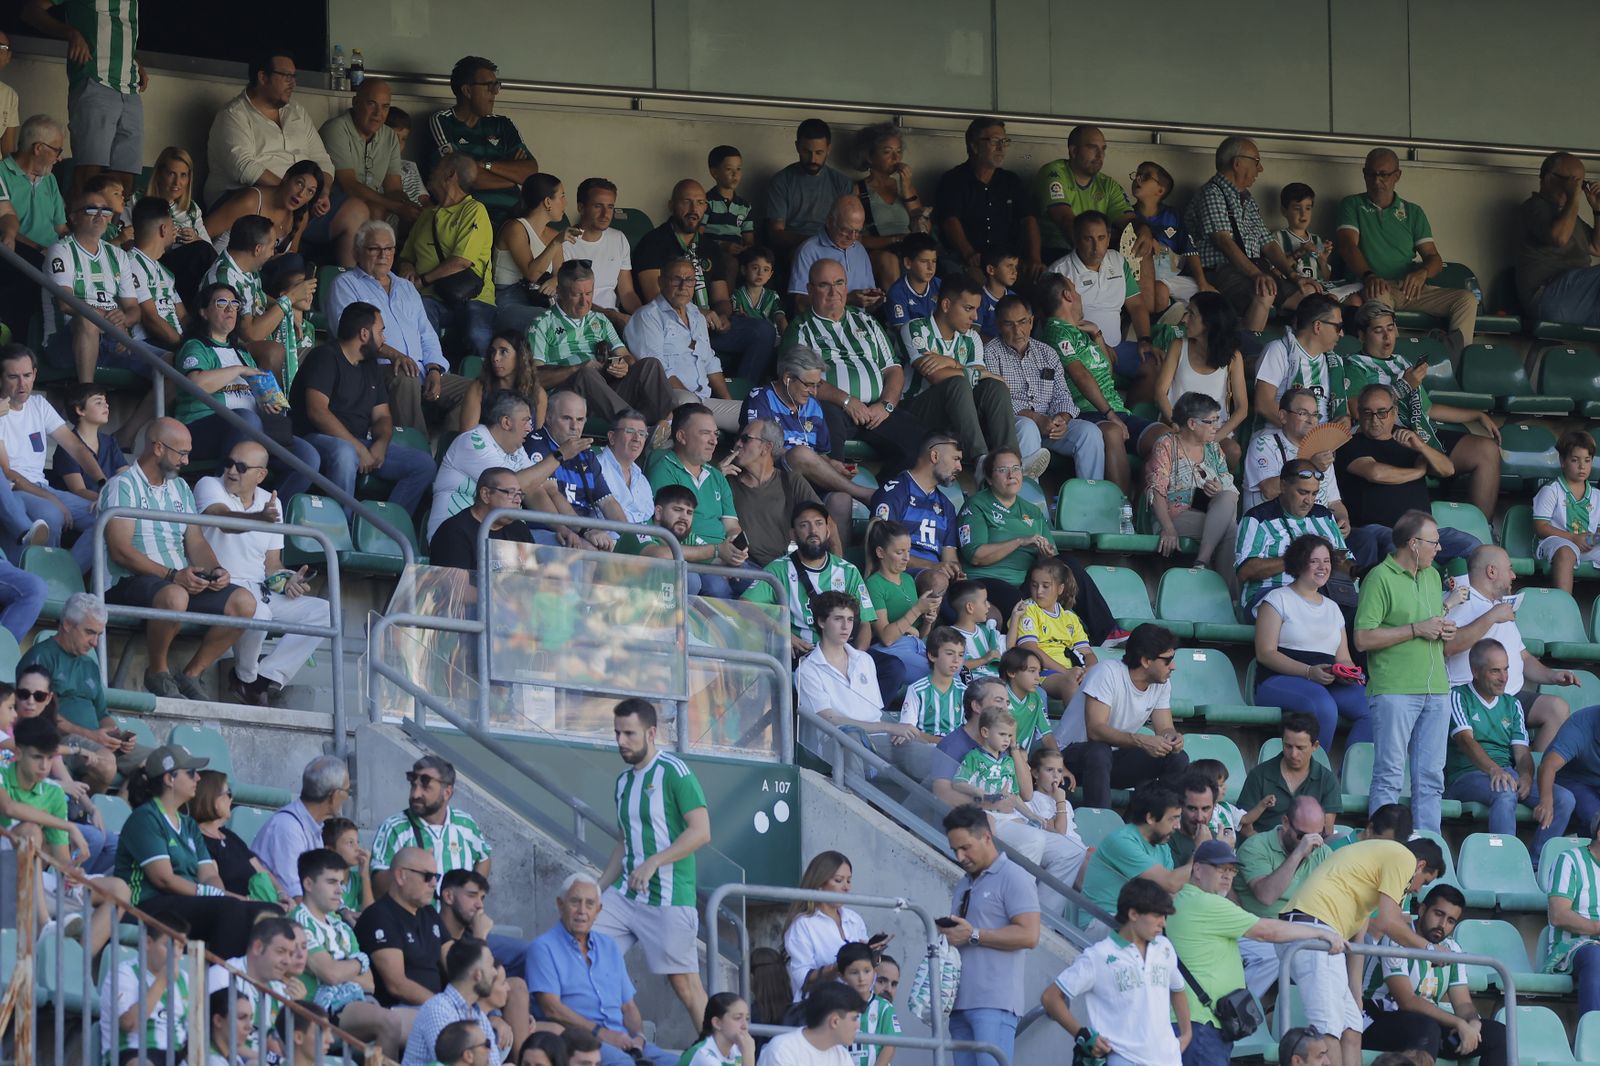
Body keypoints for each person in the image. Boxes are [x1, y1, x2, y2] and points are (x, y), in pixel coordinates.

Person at [99, 417, 256, 699]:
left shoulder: (181, 487)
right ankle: (157, 672)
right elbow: (120, 550)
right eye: (181, 453)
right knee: (175, 597)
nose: (186, 461)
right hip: (129, 582)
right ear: (158, 448)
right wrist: (172, 576)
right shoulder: (122, 485)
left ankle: (191, 674)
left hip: (176, 581)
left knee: (244, 602)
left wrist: (216, 570)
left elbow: (194, 539)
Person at [1168, 840, 1346, 1066]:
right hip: (1202, 1025)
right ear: (1197, 869)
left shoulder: (1184, 899)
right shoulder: (1206, 903)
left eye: (1232, 871)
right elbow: (1266, 931)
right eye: (1220, 869)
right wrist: (1319, 933)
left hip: (1196, 1022)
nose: (1228, 876)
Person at [595, 698, 710, 1027]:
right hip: (625, 895)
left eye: (629, 733)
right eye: (617, 733)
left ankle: (714, 1055)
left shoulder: (675, 772)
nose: (620, 741)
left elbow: (701, 832)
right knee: (583, 945)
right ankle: (617, 1033)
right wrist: (598, 887)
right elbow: (624, 841)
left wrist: (654, 863)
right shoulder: (622, 782)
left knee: (686, 987)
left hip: (669, 898)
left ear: (652, 733)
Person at [1278, 838, 1444, 1066]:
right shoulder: (1403, 857)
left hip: (1325, 934)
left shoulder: (1371, 873)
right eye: (1424, 881)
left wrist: (1356, 993)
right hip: (1313, 931)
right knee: (1330, 1030)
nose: (1417, 890)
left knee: (1352, 1029)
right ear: (1420, 865)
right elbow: (1388, 922)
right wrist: (1430, 949)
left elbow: (1359, 937)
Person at [114, 744, 281, 957]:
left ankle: (248, 984)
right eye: (191, 773)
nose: (198, 779)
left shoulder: (189, 824)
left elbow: (209, 874)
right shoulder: (145, 818)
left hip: (183, 902)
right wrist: (218, 896)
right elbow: (163, 879)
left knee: (270, 913)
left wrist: (219, 894)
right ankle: (220, 985)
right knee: (229, 909)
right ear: (169, 779)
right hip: (147, 904)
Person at [195, 440, 330, 703]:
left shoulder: (272, 503)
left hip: (260, 589)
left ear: (261, 475)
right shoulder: (210, 484)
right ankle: (245, 678)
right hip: (221, 587)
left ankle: (265, 677)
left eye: (242, 467)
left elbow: (272, 564)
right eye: (229, 463)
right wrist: (260, 519)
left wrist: (286, 580)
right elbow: (222, 521)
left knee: (323, 612)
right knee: (261, 612)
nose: (232, 471)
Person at [1342, 301, 1501, 518]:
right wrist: (1405, 385)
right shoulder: (1354, 365)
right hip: (1390, 439)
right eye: (1378, 331)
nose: (1387, 337)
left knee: (1486, 450)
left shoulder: (1401, 362)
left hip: (1421, 432)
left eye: (1390, 329)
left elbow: (1429, 409)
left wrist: (1476, 414)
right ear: (1361, 335)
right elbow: (1357, 411)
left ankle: (1484, 528)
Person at [1353, 508, 1456, 833]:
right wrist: (1416, 629)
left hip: (1437, 688)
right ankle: (1382, 847)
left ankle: (1428, 847)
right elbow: (1362, 638)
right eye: (1433, 543)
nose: (1438, 549)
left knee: (1431, 777)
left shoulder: (1432, 575)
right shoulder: (1379, 578)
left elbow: (1428, 622)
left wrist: (1442, 629)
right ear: (1413, 543)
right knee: (1390, 774)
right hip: (1394, 689)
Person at [290, 302, 437, 519]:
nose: (384, 339)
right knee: (345, 453)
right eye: (381, 332)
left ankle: (384, 528)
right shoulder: (325, 357)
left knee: (424, 465)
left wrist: (380, 444)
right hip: (315, 439)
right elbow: (317, 412)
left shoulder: (370, 366)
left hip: (359, 443)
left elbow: (383, 416)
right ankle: (342, 531)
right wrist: (358, 448)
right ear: (364, 334)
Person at [780, 260, 925, 475]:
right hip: (833, 408)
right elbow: (798, 380)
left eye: (839, 283)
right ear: (810, 290)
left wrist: (886, 405)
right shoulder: (801, 328)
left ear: (847, 287)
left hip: (875, 410)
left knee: (920, 440)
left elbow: (893, 369)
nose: (833, 292)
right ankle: (835, 492)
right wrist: (846, 401)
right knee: (823, 414)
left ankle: (884, 496)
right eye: (824, 285)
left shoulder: (867, 321)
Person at [175, 281, 320, 496]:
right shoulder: (196, 346)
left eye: (235, 304)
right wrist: (238, 370)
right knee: (246, 419)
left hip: (250, 429)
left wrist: (269, 402)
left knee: (307, 456)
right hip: (200, 428)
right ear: (204, 312)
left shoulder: (242, 353)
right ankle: (219, 498)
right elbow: (197, 384)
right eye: (222, 302)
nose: (230, 309)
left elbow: (261, 395)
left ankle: (268, 511)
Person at [325, 219, 470, 433]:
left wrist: (434, 369)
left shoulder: (406, 287)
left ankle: (449, 456)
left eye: (389, 249)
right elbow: (351, 335)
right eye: (375, 249)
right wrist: (396, 356)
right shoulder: (345, 284)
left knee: (472, 390)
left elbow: (426, 334)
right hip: (375, 369)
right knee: (406, 377)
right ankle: (417, 453)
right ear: (357, 252)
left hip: (420, 369)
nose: (384, 255)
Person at [633, 179, 777, 383]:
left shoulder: (709, 246)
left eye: (700, 203)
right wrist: (700, 314)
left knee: (763, 331)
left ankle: (743, 396)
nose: (694, 209)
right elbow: (655, 297)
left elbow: (721, 298)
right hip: (674, 327)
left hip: (709, 328)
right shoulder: (654, 242)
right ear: (671, 205)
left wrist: (724, 316)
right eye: (687, 202)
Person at [1335, 148, 1478, 353]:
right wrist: (1369, 275)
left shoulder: (1413, 212)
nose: (1377, 181)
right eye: (1371, 174)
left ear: (1397, 175)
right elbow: (1347, 246)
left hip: (1408, 288)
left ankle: (1455, 363)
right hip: (1372, 285)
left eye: (1384, 174)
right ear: (1364, 174)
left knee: (1467, 300)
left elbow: (1433, 258)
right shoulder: (1352, 204)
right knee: (1380, 298)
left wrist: (1422, 273)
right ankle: (1400, 368)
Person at [1445, 638, 1575, 860]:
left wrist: (1525, 775)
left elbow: (1522, 751)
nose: (1504, 678)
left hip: (1507, 774)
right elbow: (1466, 741)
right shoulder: (1458, 696)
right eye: (1495, 671)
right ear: (1475, 671)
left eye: (1506, 669)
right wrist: (1494, 770)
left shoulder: (1511, 704)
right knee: (1505, 792)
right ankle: (1504, 862)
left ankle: (1534, 864)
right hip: (1465, 776)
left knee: (1564, 799)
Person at [1034, 272, 1164, 495]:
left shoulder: (1082, 332)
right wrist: (1109, 413)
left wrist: (1097, 334)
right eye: (1075, 290)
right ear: (1067, 295)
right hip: (1085, 413)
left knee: (1164, 439)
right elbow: (1080, 375)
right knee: (1112, 431)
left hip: (1114, 410)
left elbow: (1108, 373)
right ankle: (1121, 514)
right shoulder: (1056, 331)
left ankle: (1146, 513)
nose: (1079, 295)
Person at [526, 873, 675, 1066]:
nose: (582, 911)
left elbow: (628, 1006)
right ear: (560, 904)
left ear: (598, 910)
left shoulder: (609, 946)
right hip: (578, 1042)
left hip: (624, 1041)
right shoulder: (543, 948)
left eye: (589, 904)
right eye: (575, 902)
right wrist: (602, 1034)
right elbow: (552, 1009)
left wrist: (637, 1036)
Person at [1042, 878, 1190, 1065]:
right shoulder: (1099, 956)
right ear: (1134, 914)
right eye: (1158, 915)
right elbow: (1050, 997)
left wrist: (1187, 1034)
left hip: (1169, 1059)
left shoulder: (1165, 947)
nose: (1164, 923)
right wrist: (1082, 1035)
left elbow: (1177, 988)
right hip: (1122, 1059)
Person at [1444, 545, 1577, 751]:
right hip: (1472, 697)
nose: (1514, 575)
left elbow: (1522, 656)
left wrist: (1553, 676)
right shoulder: (1461, 599)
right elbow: (1449, 647)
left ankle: (1534, 775)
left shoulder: (1500, 605)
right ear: (1491, 571)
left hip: (1510, 697)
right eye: (1510, 569)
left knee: (1557, 709)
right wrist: (1492, 617)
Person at [1361, 883, 1508, 1066]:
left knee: (1497, 1034)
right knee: (1426, 1027)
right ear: (1423, 910)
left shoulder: (1452, 949)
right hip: (1377, 1022)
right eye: (1438, 914)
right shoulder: (1397, 940)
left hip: (1428, 1031)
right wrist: (1458, 1023)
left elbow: (1463, 1003)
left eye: (1451, 921)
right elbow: (1407, 1001)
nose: (1442, 925)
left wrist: (1472, 1022)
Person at [939, 804, 1039, 1066]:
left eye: (965, 847)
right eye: (955, 850)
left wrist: (973, 935)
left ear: (986, 837)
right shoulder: (965, 883)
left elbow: (1030, 935)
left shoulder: (1014, 877)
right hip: (959, 1002)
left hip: (995, 1002)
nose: (960, 856)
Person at [1337, 386, 1479, 569]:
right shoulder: (1349, 442)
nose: (1374, 420)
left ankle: (1468, 597)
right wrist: (1418, 472)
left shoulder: (1407, 440)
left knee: (1473, 546)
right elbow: (1376, 473)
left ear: (1394, 412)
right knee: (1400, 549)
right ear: (1359, 414)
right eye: (1367, 413)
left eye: (1381, 413)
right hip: (1377, 529)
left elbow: (1447, 469)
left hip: (1423, 532)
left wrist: (1421, 447)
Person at [1053, 624, 1188, 809]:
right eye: (1167, 660)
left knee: (1177, 757)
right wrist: (1141, 740)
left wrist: (1172, 738)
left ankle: (1149, 823)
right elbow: (1095, 730)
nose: (1173, 666)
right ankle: (1101, 825)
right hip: (1071, 757)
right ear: (1146, 661)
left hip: (1111, 759)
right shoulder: (1107, 672)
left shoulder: (1162, 683)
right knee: (1100, 751)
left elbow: (1165, 727)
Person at [1251, 535, 1370, 744]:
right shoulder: (1276, 599)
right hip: (1279, 679)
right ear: (1298, 564)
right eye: (1314, 561)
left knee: (1374, 708)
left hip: (1327, 680)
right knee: (1323, 706)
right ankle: (1316, 773)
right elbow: (1265, 653)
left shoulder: (1332, 607)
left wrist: (1348, 674)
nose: (1322, 567)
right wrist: (1308, 672)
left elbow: (1344, 658)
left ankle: (1350, 774)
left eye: (1326, 561)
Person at [526, 260, 674, 425]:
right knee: (586, 374)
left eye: (588, 293)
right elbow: (535, 377)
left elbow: (626, 356)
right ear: (559, 292)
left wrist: (623, 365)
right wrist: (577, 368)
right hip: (569, 398)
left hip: (605, 393)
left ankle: (667, 425)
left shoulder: (600, 320)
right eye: (576, 295)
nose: (585, 302)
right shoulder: (542, 324)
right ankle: (632, 427)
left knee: (650, 365)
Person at [0, 344, 107, 568]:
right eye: (13, 377)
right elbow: (8, 474)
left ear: (35, 374)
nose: (22, 384)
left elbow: (76, 448)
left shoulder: (38, 404)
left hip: (41, 486)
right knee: (52, 515)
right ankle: (46, 580)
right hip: (16, 490)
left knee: (107, 520)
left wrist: (102, 484)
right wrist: (53, 499)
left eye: (27, 375)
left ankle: (67, 573)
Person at [739, 344, 874, 518]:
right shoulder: (760, 398)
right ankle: (863, 494)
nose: (814, 392)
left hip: (809, 480)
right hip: (774, 475)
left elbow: (820, 454)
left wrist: (832, 465)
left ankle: (835, 546)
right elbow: (757, 447)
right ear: (788, 378)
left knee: (841, 500)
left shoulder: (813, 406)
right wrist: (805, 458)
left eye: (817, 385)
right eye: (809, 385)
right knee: (801, 453)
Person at [898, 274, 1021, 464]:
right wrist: (970, 371)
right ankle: (981, 460)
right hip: (916, 411)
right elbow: (936, 376)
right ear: (946, 305)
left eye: (977, 309)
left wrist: (953, 364)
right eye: (968, 309)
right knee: (957, 382)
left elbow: (981, 380)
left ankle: (1011, 461)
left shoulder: (972, 338)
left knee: (994, 387)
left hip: (957, 413)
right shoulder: (916, 329)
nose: (975, 317)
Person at [1183, 136, 1313, 315]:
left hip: (1255, 268)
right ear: (1237, 163)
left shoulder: (1247, 199)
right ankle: (1251, 340)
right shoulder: (1212, 193)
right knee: (1261, 297)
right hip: (1221, 270)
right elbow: (1223, 241)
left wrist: (1293, 276)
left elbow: (1268, 243)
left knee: (1309, 297)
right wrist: (1255, 274)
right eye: (1256, 161)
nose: (1260, 169)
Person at [984, 294, 1105, 480]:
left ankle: (1090, 498)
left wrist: (1062, 419)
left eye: (1022, 322)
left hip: (1049, 425)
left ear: (1031, 322)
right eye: (1009, 324)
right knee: (1028, 427)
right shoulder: (991, 353)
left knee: (1090, 433)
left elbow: (1063, 395)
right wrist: (1036, 419)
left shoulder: (1047, 353)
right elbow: (999, 402)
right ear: (999, 325)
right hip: (1014, 425)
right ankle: (1031, 502)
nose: (1018, 331)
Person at [40, 185, 144, 386]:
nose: (100, 215)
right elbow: (65, 303)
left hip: (111, 339)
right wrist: (112, 324)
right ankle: (86, 393)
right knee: (87, 320)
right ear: (73, 217)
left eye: (105, 210)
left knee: (168, 362)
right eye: (91, 209)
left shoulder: (118, 255)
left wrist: (124, 321)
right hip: (64, 343)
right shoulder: (61, 250)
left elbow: (134, 310)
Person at [1045, 211, 1157, 396]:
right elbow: (1056, 327)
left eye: (1101, 238)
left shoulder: (1118, 261)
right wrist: (1099, 346)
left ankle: (1133, 419)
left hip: (1117, 348)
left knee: (1153, 364)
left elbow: (1136, 305)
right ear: (1075, 238)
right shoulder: (1058, 272)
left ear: (1109, 237)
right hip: (1081, 353)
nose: (1096, 247)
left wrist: (1144, 340)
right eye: (1088, 239)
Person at [624, 256, 742, 428]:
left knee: (749, 414)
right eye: (676, 279)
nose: (683, 286)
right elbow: (658, 370)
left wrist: (727, 401)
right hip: (671, 399)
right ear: (661, 282)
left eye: (689, 280)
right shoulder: (648, 316)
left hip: (703, 401)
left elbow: (710, 362)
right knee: (687, 401)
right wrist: (694, 406)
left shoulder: (696, 315)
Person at [744, 502, 876, 657]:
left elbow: (865, 623)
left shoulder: (848, 571)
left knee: (893, 667)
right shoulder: (778, 570)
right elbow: (745, 605)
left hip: (841, 652)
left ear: (828, 530)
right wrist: (783, 634)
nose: (813, 531)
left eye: (819, 524)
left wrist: (856, 657)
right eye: (804, 525)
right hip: (801, 653)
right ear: (793, 534)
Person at [398, 155, 495, 361]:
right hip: (432, 298)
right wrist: (408, 269)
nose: (431, 173)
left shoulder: (474, 210)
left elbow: (462, 261)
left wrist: (422, 280)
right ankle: (433, 376)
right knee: (420, 318)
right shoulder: (426, 215)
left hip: (472, 298)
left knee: (477, 337)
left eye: (437, 168)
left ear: (450, 175)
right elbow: (406, 255)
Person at [645, 404, 749, 592]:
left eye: (715, 434)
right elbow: (672, 529)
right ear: (682, 437)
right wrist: (718, 555)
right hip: (690, 558)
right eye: (705, 433)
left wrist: (735, 546)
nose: (714, 441)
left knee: (765, 586)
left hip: (722, 556)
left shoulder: (716, 476)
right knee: (718, 589)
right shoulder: (664, 469)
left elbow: (732, 526)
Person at [420, 56, 539, 221]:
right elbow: (462, 180)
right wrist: (512, 178)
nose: (495, 92)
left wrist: (485, 165)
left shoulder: (502, 124)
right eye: (488, 86)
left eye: (496, 85)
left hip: (515, 215)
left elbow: (530, 174)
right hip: (470, 216)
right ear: (467, 91)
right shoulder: (443, 121)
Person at [1236, 459, 1356, 618]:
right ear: (1283, 486)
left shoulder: (1325, 516)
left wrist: (1354, 568)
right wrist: (1301, 557)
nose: (1309, 501)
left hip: (1323, 594)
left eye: (1314, 494)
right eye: (1303, 492)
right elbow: (1245, 571)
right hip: (1272, 595)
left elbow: (1347, 564)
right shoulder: (1257, 518)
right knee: (1310, 613)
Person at [1143, 391, 1240, 580]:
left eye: (1217, 420)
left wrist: (1218, 488)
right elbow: (1156, 489)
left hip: (1208, 510)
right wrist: (1168, 528)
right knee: (1232, 530)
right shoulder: (1167, 444)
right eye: (1211, 421)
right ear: (1192, 423)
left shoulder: (1213, 448)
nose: (1216, 427)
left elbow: (1229, 485)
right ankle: (1228, 597)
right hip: (1175, 514)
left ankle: (1201, 563)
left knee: (1227, 496)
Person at [427, 392, 544, 540]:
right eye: (525, 421)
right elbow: (514, 487)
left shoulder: (518, 449)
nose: (529, 428)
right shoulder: (472, 441)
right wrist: (559, 456)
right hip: (454, 537)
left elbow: (536, 488)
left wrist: (566, 529)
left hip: (499, 540)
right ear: (506, 422)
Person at [320, 78, 418, 254]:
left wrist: (409, 207)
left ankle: (400, 273)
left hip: (376, 203)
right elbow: (348, 185)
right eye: (371, 104)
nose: (378, 113)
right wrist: (395, 206)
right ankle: (369, 272)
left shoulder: (389, 136)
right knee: (377, 208)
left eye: (385, 107)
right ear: (356, 103)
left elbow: (394, 188)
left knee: (418, 216)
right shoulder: (336, 128)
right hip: (334, 206)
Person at [370, 754, 491, 897]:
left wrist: (471, 896)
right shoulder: (394, 828)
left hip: (454, 919)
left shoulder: (465, 824)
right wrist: (411, 868)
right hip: (414, 919)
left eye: (425, 787)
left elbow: (484, 858)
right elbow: (377, 885)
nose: (415, 794)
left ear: (447, 793)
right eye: (413, 785)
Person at [934, 118, 1041, 278]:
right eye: (994, 141)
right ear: (974, 146)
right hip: (967, 260)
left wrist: (1034, 258)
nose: (1001, 148)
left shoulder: (1010, 181)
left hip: (1008, 261)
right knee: (976, 284)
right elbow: (950, 221)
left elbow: (1029, 219)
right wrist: (969, 253)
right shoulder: (954, 180)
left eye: (1004, 142)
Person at [1156, 293, 1248, 465]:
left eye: (1191, 314)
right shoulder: (1178, 346)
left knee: (1233, 451)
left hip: (1213, 430)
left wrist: (1215, 437)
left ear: (1209, 322)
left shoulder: (1233, 357)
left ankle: (1220, 490)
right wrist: (1177, 425)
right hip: (1177, 425)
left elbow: (1242, 408)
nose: (1184, 319)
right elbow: (1160, 392)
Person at [730, 419, 833, 569]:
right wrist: (715, 478)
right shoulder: (725, 480)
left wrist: (836, 569)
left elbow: (827, 523)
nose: (738, 444)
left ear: (766, 448)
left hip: (782, 569)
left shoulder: (790, 480)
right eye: (738, 439)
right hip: (742, 566)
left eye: (745, 439)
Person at [0, 116, 69, 341]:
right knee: (35, 272)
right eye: (57, 151)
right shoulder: (1, 172)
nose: (60, 159)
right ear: (38, 148)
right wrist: (40, 249)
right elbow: (4, 223)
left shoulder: (50, 180)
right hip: (18, 253)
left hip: (48, 254)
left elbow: (61, 228)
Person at [1079, 782, 1192, 917]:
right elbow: (1170, 883)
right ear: (1150, 818)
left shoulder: (1162, 846)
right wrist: (1202, 853)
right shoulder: (1121, 841)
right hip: (1103, 919)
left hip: (1140, 920)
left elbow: (1171, 893)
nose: (1177, 826)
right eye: (1172, 819)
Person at [781, 851, 883, 1000]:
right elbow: (802, 980)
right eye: (838, 880)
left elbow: (868, 977)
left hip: (854, 1008)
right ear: (819, 884)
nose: (846, 887)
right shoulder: (803, 924)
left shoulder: (854, 919)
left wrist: (873, 955)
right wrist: (837, 966)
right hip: (819, 1011)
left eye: (848, 881)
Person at [1032, 125, 1141, 263]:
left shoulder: (1107, 184)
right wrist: (1096, 261)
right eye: (1092, 147)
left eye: (1103, 149)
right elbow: (1065, 220)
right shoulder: (1054, 172)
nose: (1100, 155)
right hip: (1056, 252)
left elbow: (1129, 223)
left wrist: (1143, 231)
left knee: (1141, 241)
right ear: (1074, 151)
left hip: (1097, 253)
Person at [355, 846, 447, 1007]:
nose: (434, 883)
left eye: (436, 877)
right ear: (400, 876)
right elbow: (397, 985)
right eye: (428, 876)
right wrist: (443, 1007)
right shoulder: (379, 916)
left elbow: (455, 963)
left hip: (434, 1007)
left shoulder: (429, 912)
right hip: (399, 1010)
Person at [1515, 151, 1600, 324]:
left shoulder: (1570, 217)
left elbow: (1597, 248)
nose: (1576, 188)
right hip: (1548, 296)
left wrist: (1598, 210)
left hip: (1578, 300)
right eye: (1572, 182)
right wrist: (1574, 198)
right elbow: (1559, 238)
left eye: (1580, 183)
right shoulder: (1534, 207)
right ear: (1548, 179)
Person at [251, 754, 353, 897]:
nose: (347, 797)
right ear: (334, 796)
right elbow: (296, 896)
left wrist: (343, 911)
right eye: (347, 791)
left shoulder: (313, 824)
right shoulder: (287, 828)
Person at [1241, 387, 1349, 520]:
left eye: (1315, 414)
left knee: (1366, 537)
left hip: (1317, 526)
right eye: (1303, 413)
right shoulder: (1264, 444)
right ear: (1283, 416)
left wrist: (1343, 519)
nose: (1311, 420)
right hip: (1274, 528)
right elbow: (1269, 490)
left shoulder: (1322, 451)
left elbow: (1334, 502)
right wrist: (1311, 465)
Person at [98, 912, 192, 1066]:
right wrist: (162, 981)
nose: (176, 954)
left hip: (176, 1056)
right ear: (148, 942)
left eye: (181, 947)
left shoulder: (185, 980)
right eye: (169, 945)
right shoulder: (124, 973)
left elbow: (193, 1032)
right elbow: (130, 1024)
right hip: (134, 1052)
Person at [869, 433, 964, 577]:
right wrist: (933, 566)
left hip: (938, 577)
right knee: (937, 580)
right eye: (956, 459)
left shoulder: (947, 506)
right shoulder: (896, 492)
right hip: (899, 576)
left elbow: (950, 557)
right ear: (935, 456)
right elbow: (885, 551)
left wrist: (956, 572)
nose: (960, 467)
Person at [492, 173, 577, 334]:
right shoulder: (515, 227)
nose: (565, 202)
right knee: (551, 322)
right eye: (562, 196)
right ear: (547, 202)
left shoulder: (553, 234)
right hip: (508, 301)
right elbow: (531, 274)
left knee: (577, 318)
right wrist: (557, 242)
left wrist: (555, 280)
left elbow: (560, 274)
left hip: (538, 299)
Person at [402, 937, 504, 1066]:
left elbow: (494, 1063)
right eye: (491, 966)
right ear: (477, 974)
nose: (495, 973)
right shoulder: (438, 1009)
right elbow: (451, 1063)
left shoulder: (479, 1016)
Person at [1252, 293, 1349, 427]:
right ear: (1318, 326)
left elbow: (1342, 412)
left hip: (1324, 441)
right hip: (1281, 438)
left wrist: (1345, 420)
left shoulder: (1335, 361)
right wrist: (1306, 437)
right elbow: (1264, 405)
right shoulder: (1279, 350)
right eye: (1338, 327)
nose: (1341, 334)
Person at [193, 770, 289, 901]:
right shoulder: (200, 840)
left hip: (263, 905)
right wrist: (251, 903)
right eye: (228, 793)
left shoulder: (230, 836)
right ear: (213, 799)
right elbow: (215, 889)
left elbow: (262, 872)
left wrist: (281, 894)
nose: (231, 799)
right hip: (239, 910)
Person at [851, 123, 926, 287]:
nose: (896, 158)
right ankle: (896, 310)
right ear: (870, 157)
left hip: (908, 250)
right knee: (889, 260)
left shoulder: (905, 187)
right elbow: (854, 238)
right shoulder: (858, 190)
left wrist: (906, 189)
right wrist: (896, 239)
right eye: (887, 152)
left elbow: (922, 226)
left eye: (898, 152)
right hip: (877, 253)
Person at [765, 118, 854, 253]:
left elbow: (849, 229)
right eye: (807, 152)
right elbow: (776, 233)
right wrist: (814, 241)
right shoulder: (781, 181)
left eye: (819, 152)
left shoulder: (842, 183)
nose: (813, 159)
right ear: (797, 147)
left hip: (834, 247)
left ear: (828, 149)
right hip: (795, 248)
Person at [1241, 717, 1342, 831]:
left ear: (1315, 746)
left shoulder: (1328, 781)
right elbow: (1243, 825)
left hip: (1310, 846)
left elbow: (1326, 831)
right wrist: (1263, 847)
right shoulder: (1259, 775)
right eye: (1288, 746)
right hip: (1262, 845)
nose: (1293, 754)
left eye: (1300, 748)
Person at [1544, 810, 1600, 1015]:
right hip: (1573, 947)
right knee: (1596, 956)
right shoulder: (1569, 860)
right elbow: (1558, 915)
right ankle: (1594, 1036)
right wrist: (1597, 928)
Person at [1532, 429, 1600, 594]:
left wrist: (1594, 538)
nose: (1582, 466)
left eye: (1587, 460)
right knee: (1566, 552)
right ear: (1562, 461)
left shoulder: (1597, 495)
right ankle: (1564, 606)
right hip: (1557, 542)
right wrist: (1573, 538)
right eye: (1575, 460)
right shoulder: (1551, 490)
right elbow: (1540, 527)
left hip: (1587, 545)